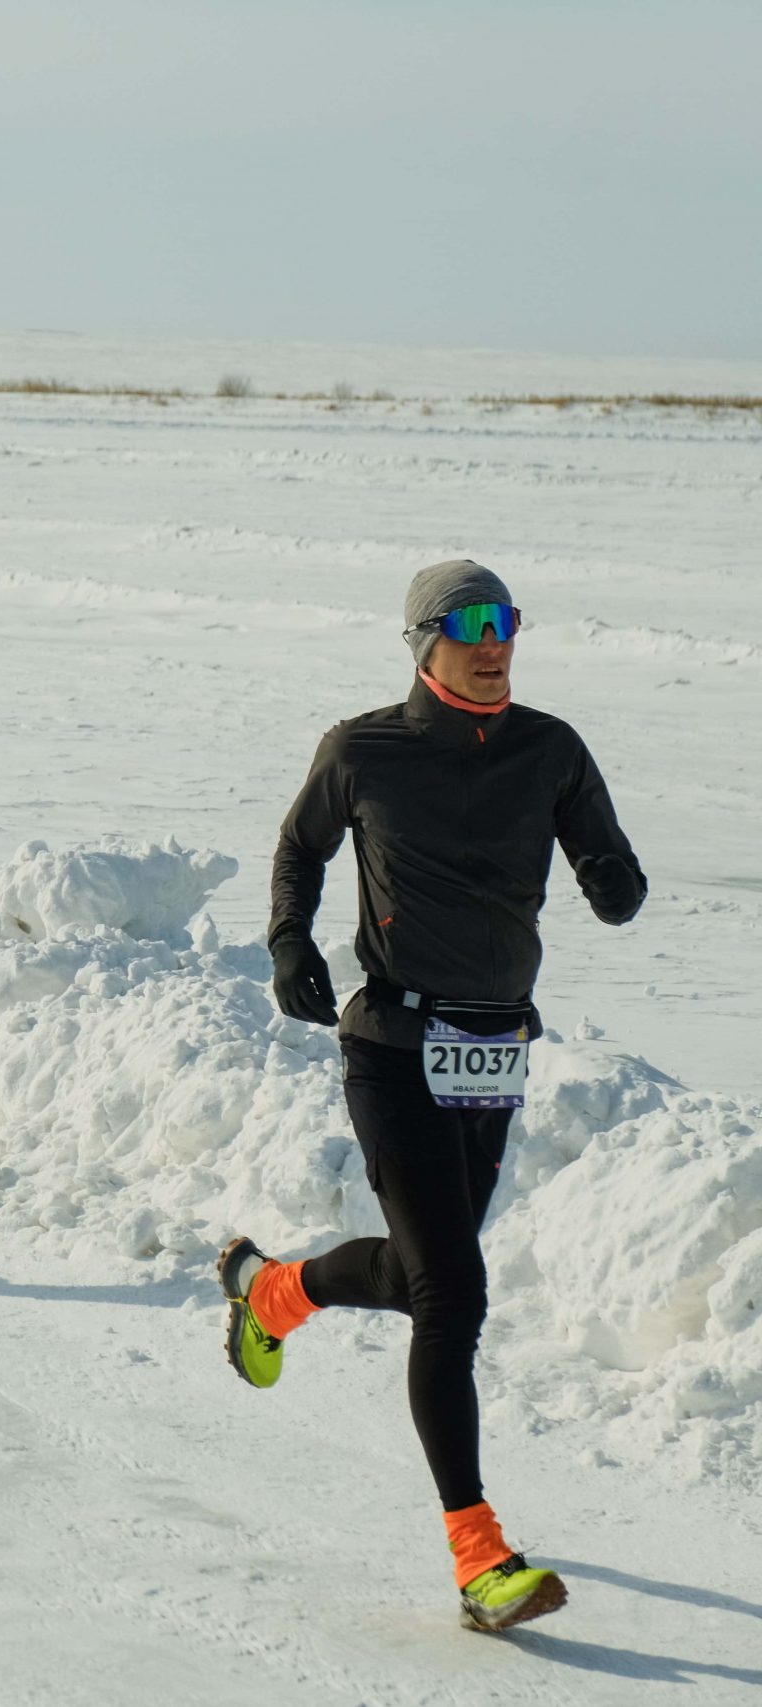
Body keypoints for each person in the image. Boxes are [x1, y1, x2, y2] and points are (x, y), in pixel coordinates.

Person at [223, 558, 646, 1633]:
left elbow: (605, 853)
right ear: (424, 642)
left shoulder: (550, 748)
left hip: (494, 1051)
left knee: (427, 1281)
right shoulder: (363, 749)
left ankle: (276, 1293)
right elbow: (297, 847)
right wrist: (285, 944)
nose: (493, 641)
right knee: (452, 1295)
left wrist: (612, 880)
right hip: (393, 1046)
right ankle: (477, 1554)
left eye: (504, 622)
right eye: (468, 625)